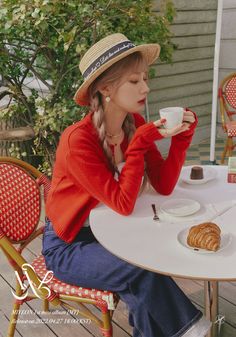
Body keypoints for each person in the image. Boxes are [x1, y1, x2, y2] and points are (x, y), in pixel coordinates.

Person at [42, 33, 211, 337]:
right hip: (70, 247)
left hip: (114, 232)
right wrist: (140, 145)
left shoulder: (134, 125)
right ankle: (191, 329)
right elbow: (123, 203)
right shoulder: (77, 140)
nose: (146, 87)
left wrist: (182, 140)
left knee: (144, 278)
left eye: (145, 78)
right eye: (134, 81)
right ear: (105, 88)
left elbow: (163, 185)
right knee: (143, 268)